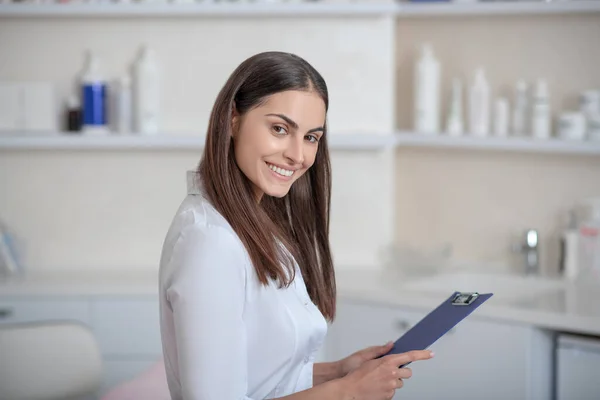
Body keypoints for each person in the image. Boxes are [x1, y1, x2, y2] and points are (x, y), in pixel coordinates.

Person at [158, 51, 434, 400]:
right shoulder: (210, 242)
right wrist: (346, 392)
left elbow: (257, 374)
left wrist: (337, 372)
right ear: (232, 120)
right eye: (279, 129)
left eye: (311, 137)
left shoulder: (256, 222)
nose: (297, 155)